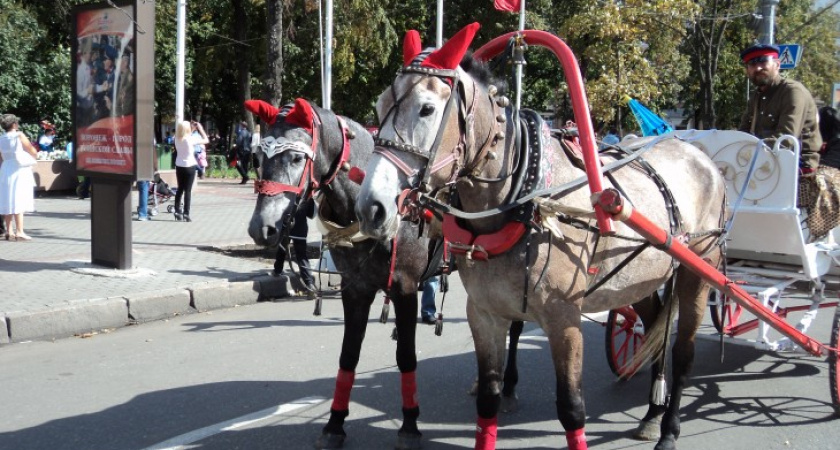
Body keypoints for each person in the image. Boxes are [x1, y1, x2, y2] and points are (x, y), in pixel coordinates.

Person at [738, 43, 822, 173]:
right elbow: (743, 132)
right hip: (764, 161)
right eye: (752, 64)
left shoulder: (792, 91)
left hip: (797, 164)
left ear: (777, 65)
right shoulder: (756, 96)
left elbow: (785, 140)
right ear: (747, 70)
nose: (758, 68)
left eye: (763, 61)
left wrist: (750, 153)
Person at [0, 114, 38, 241]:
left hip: (6, 168)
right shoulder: (19, 135)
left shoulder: (1, 138)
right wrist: (32, 156)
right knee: (19, 198)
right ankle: (20, 231)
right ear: (14, 124)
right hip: (19, 168)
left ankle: (9, 231)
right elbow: (32, 150)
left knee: (7, 198)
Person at [274, 199, 316, 295]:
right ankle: (309, 284)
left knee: (282, 248)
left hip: (285, 228)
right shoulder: (306, 195)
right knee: (302, 256)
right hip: (301, 230)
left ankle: (277, 270)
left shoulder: (286, 194)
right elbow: (312, 214)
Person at [173, 120, 208, 222]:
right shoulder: (190, 139)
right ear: (188, 129)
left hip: (179, 165)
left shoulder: (176, 138)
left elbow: (185, 133)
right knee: (187, 191)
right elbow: (206, 140)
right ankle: (186, 214)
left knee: (180, 189)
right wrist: (200, 128)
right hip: (190, 166)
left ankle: (177, 211)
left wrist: (191, 128)